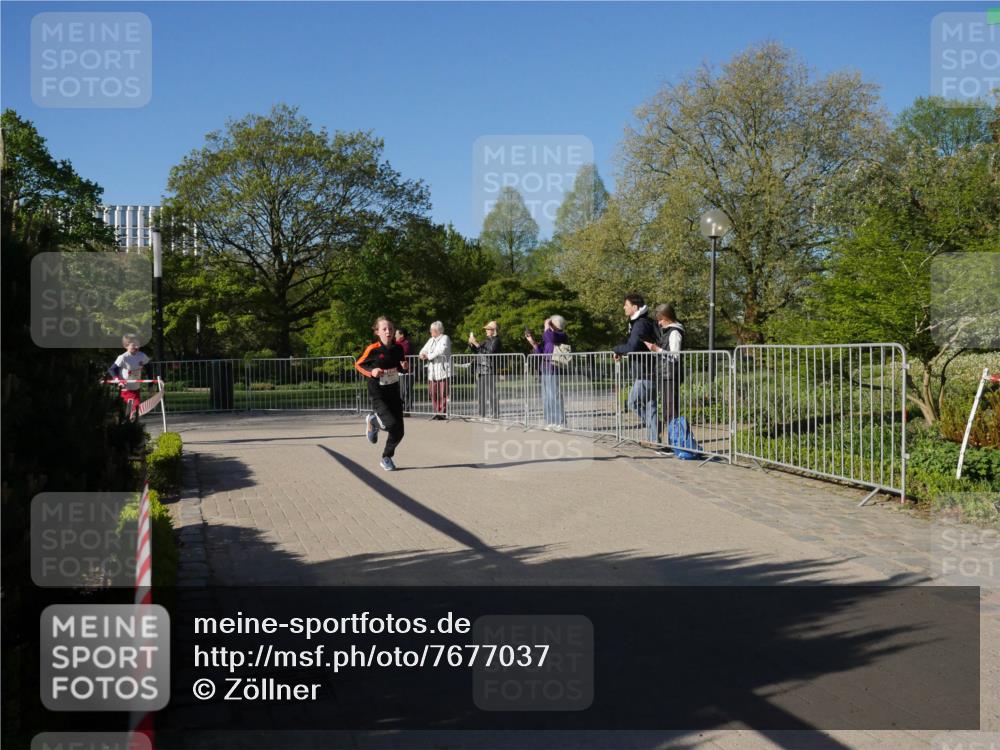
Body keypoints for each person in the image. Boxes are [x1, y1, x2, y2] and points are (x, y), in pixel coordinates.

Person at [355, 316, 408, 471]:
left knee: (399, 431)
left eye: (390, 329)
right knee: (389, 424)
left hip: (393, 391)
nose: (388, 331)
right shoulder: (373, 349)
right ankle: (373, 421)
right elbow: (358, 364)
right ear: (377, 332)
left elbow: (400, 367)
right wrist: (372, 371)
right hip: (378, 393)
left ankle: (386, 457)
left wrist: (404, 367)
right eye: (384, 329)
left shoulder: (398, 349)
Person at [613, 293, 658, 443]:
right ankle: (654, 440)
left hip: (645, 370)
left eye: (626, 305)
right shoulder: (642, 322)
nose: (624, 307)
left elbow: (632, 346)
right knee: (650, 406)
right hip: (648, 369)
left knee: (633, 402)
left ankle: (656, 427)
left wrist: (616, 349)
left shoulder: (640, 324)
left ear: (635, 307)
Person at [645, 303, 685, 445]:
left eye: (661, 320)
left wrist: (658, 350)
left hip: (670, 374)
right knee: (668, 409)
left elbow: (675, 356)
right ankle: (672, 441)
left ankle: (674, 442)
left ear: (667, 317)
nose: (659, 323)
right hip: (665, 374)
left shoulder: (674, 332)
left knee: (671, 410)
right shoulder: (669, 331)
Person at [526, 315, 567, 428]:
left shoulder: (560, 335)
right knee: (547, 396)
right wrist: (532, 342)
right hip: (545, 367)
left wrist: (546, 327)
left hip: (554, 367)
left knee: (555, 395)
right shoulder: (548, 337)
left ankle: (561, 422)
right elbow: (541, 352)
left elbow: (550, 337)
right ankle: (550, 421)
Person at [107, 333, 150, 422]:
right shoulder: (122, 357)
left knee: (136, 409)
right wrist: (118, 380)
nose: (136, 347)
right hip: (125, 388)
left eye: (138, 344)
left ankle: (132, 426)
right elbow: (112, 370)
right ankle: (125, 422)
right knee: (130, 409)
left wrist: (151, 384)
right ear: (126, 346)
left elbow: (149, 368)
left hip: (136, 388)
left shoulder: (142, 355)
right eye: (133, 345)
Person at [468, 321, 502, 420]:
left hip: (490, 369)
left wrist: (476, 343)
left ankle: (495, 414)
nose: (486, 330)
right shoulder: (486, 340)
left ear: (493, 330)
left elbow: (489, 352)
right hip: (481, 369)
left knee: (491, 393)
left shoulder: (496, 341)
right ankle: (481, 414)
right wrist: (471, 344)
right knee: (481, 393)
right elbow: (477, 350)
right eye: (486, 329)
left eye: (488, 329)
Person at [419, 321, 451, 420]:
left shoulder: (445, 338)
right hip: (432, 372)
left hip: (442, 370)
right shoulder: (431, 339)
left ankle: (442, 413)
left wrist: (428, 356)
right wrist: (422, 354)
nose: (430, 331)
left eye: (432, 330)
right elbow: (423, 350)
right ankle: (436, 411)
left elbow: (441, 351)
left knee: (443, 393)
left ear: (437, 330)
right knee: (433, 393)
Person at [395, 327, 413, 414]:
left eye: (396, 334)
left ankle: (407, 410)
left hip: (407, 372)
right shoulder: (395, 343)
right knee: (399, 391)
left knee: (406, 390)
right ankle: (400, 409)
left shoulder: (406, 343)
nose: (395, 335)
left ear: (402, 335)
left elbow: (404, 353)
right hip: (397, 371)